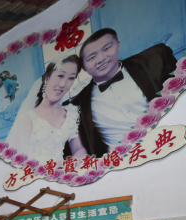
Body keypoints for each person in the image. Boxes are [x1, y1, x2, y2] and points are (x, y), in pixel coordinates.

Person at [70, 28, 177, 156]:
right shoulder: (77, 104)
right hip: (124, 160)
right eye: (92, 57)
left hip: (168, 140)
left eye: (106, 48)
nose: (101, 59)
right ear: (83, 66)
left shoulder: (156, 58)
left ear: (118, 45)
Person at [6, 56, 88, 163]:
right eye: (60, 76)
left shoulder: (71, 114)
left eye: (71, 78)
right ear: (47, 79)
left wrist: (75, 161)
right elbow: (15, 160)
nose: (63, 84)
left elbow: (78, 149)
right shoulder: (28, 119)